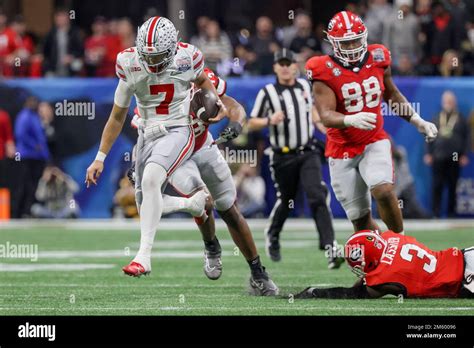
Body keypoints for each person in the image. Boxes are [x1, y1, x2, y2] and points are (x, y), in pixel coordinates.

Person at [85, 17, 228, 280]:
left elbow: (204, 81)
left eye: (158, 57)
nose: (151, 63)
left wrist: (215, 103)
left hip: (177, 129)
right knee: (144, 201)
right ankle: (194, 205)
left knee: (151, 179)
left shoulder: (188, 57)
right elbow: (117, 116)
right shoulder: (129, 64)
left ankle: (143, 257)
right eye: (147, 57)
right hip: (146, 133)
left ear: (173, 48)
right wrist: (100, 158)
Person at [129, 66, 279, 296]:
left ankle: (258, 272)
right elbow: (145, 137)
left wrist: (237, 124)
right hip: (178, 156)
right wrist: (137, 163)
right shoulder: (151, 92)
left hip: (204, 146)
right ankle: (211, 245)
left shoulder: (198, 76)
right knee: (204, 201)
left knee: (229, 209)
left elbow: (232, 105)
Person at [306, 11, 438, 234]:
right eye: (345, 43)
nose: (352, 47)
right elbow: (326, 115)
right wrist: (349, 119)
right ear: (334, 43)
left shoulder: (378, 57)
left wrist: (417, 120)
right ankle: (378, 257)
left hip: (373, 140)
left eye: (356, 41)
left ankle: (399, 243)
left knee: (384, 191)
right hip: (341, 149)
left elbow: (392, 95)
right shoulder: (322, 68)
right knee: (360, 218)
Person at [248, 49, 343, 269]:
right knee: (286, 201)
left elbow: (313, 112)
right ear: (275, 68)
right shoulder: (268, 92)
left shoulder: (304, 87)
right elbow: (251, 122)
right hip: (282, 156)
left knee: (317, 195)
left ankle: (330, 247)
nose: (284, 67)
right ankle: (272, 234)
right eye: (280, 63)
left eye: (288, 63)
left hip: (306, 151)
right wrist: (269, 120)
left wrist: (324, 127)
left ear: (295, 66)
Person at [295, 230, 474, 299]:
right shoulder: (389, 237)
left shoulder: (385, 277)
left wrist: (315, 292)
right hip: (465, 254)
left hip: (465, 279)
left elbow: (355, 293)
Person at [424, 91, 470, 217]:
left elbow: (467, 137)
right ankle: (435, 212)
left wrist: (464, 155)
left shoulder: (461, 118)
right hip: (438, 156)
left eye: (450, 101)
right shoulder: (437, 117)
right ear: (443, 102)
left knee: (452, 185)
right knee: (437, 185)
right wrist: (428, 153)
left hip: (455, 157)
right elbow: (429, 135)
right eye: (446, 101)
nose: (448, 103)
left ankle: (451, 213)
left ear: (454, 102)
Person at [13, 97, 50, 218]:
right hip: (26, 156)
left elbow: (40, 137)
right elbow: (20, 134)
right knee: (25, 184)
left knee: (34, 185)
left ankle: (29, 211)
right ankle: (18, 212)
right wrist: (34, 146)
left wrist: (44, 154)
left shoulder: (35, 116)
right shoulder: (24, 116)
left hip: (36, 157)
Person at [42, 8, 83, 76]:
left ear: (68, 18)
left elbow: (80, 51)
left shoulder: (74, 33)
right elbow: (45, 51)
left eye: (63, 17)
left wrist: (71, 57)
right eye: (58, 17)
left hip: (71, 70)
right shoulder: (51, 33)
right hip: (53, 69)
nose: (60, 19)